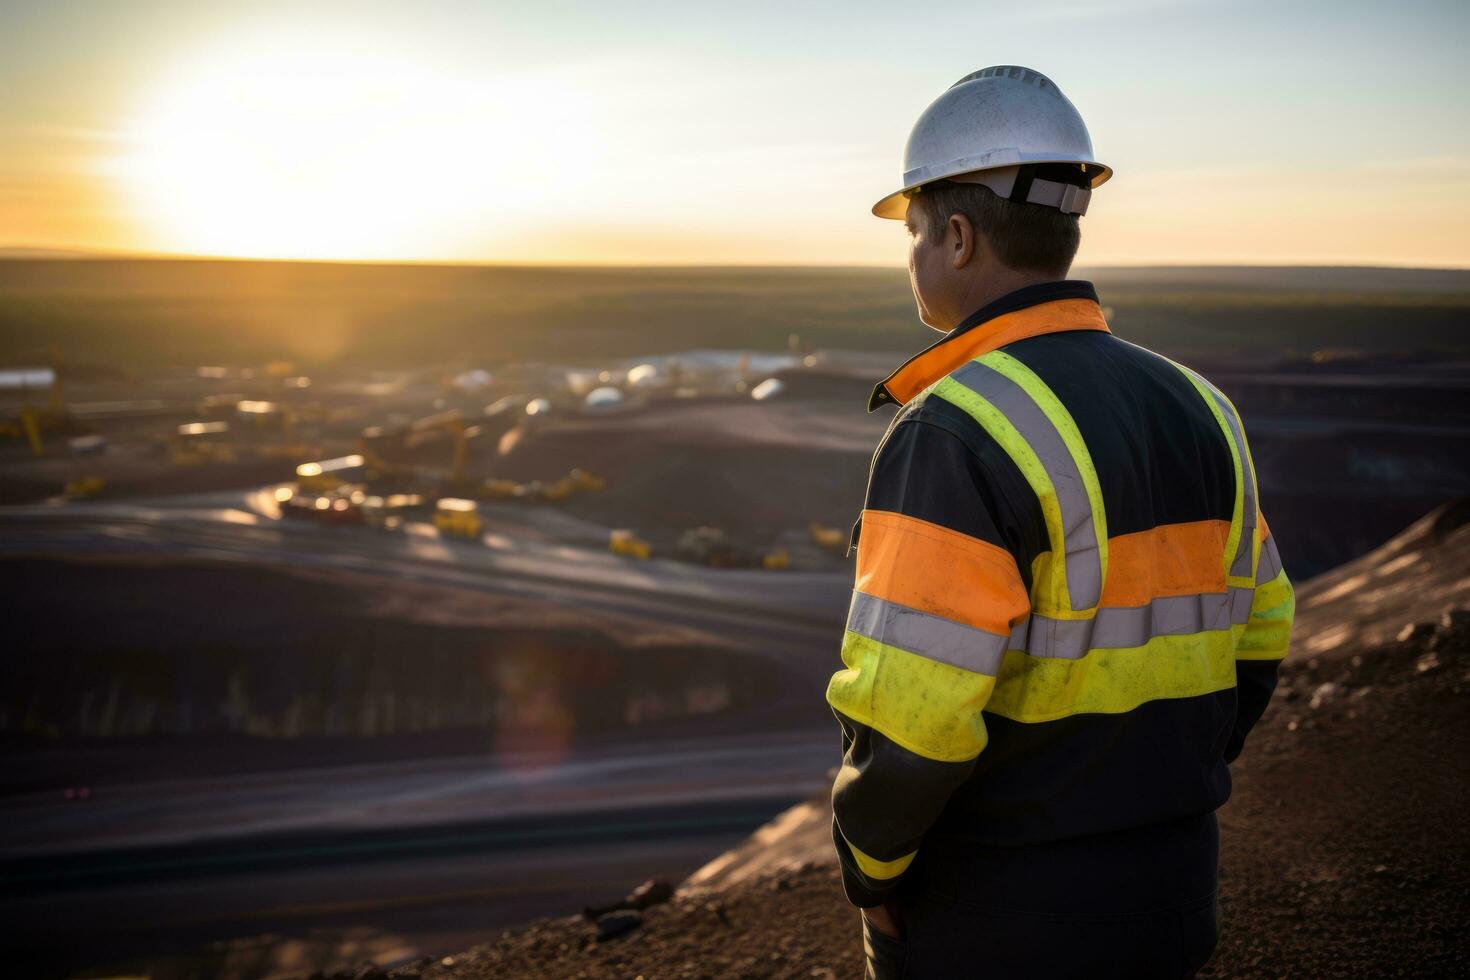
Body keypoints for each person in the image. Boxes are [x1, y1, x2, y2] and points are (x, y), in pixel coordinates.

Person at [826, 66, 1294, 979]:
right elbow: (1261, 635)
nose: (914, 255)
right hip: (1172, 892)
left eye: (914, 233)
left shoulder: (953, 431)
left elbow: (916, 715)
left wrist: (871, 867)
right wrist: (1158, 786)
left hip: (998, 917)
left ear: (957, 237)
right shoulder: (1204, 406)